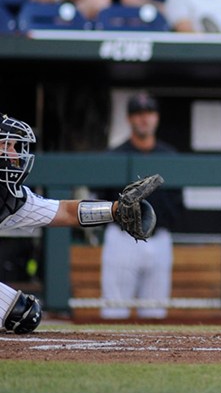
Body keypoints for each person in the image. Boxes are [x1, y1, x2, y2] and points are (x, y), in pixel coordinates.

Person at [1, 113, 159, 334]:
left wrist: (116, 211)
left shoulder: (8, 197)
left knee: (24, 314)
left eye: (14, 146)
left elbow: (65, 211)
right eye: (6, 145)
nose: (14, 155)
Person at [101, 93, 182, 320]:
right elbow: (102, 200)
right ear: (129, 119)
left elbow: (178, 202)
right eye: (138, 114)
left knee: (155, 313)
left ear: (156, 117)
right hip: (122, 239)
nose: (144, 119)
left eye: (149, 113)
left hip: (159, 238)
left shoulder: (170, 156)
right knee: (115, 310)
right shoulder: (115, 156)